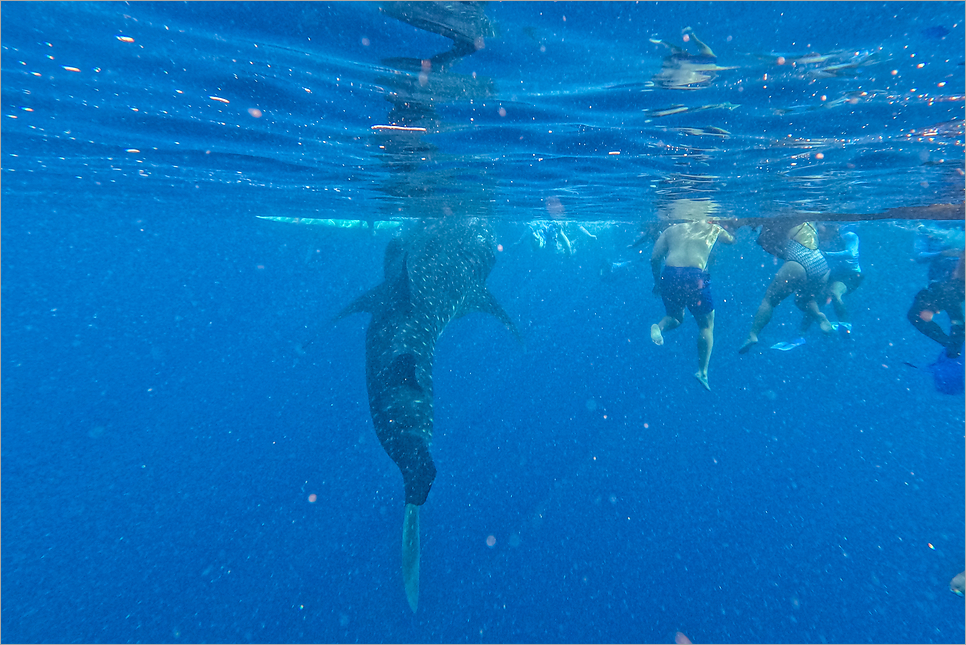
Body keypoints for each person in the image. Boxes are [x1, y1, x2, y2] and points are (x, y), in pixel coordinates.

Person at [649, 217, 735, 390]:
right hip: (694, 276)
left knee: (674, 317)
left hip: (670, 275)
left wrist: (657, 282)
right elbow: (730, 241)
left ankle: (659, 327)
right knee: (705, 326)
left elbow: (654, 258)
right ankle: (702, 372)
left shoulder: (670, 230)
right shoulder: (713, 228)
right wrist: (729, 227)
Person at [739, 221, 834, 354]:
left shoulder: (780, 219)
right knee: (804, 301)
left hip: (799, 260)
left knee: (769, 301)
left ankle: (752, 335)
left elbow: (764, 242)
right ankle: (820, 317)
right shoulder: (811, 219)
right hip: (821, 263)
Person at [801, 223, 863, 335]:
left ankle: (846, 325)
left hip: (851, 274)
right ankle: (802, 332)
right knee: (815, 299)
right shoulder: (822, 238)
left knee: (834, 292)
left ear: (835, 227)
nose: (821, 232)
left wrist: (825, 254)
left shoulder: (849, 236)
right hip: (832, 274)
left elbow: (851, 253)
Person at [907, 248, 965, 358]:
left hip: (943, 284)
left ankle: (954, 345)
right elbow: (919, 256)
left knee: (950, 300)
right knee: (915, 315)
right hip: (940, 284)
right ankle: (953, 344)